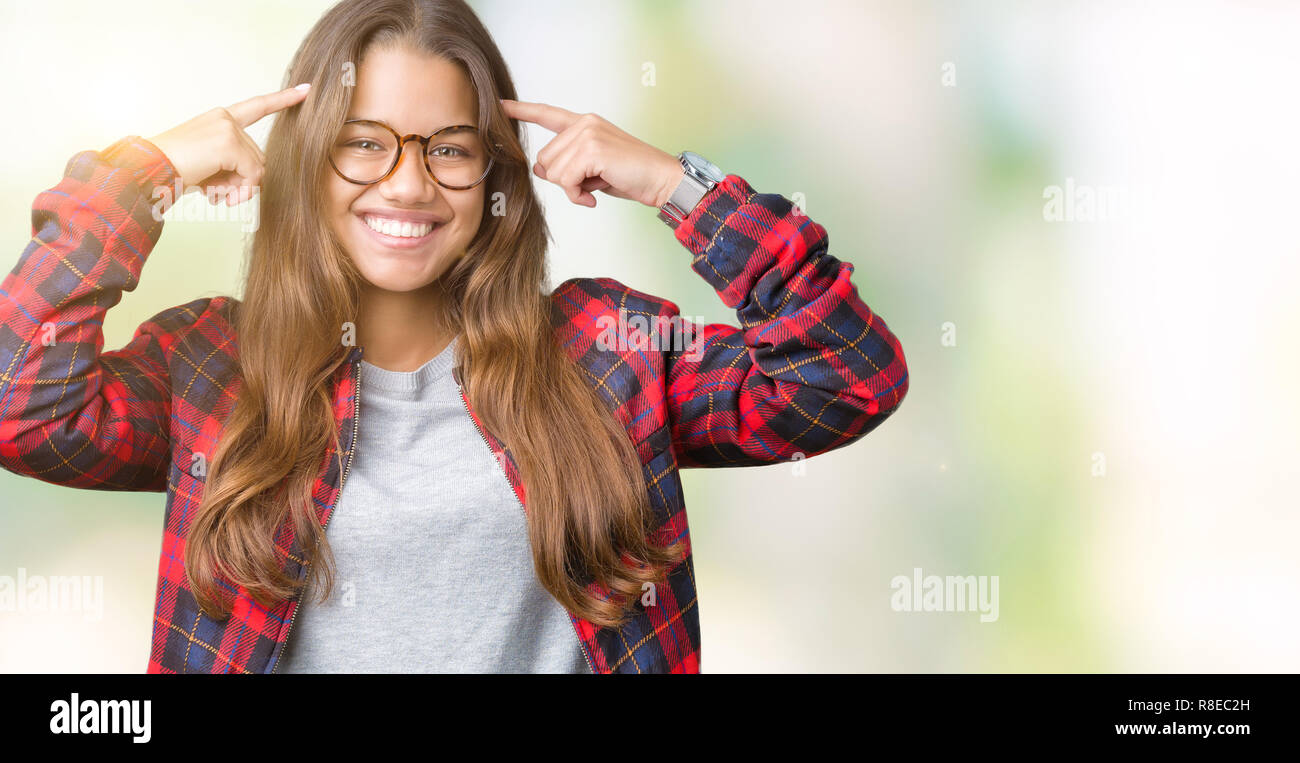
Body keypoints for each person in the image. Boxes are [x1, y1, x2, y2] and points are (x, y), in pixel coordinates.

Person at [0, 0, 909, 673]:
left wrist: (674, 184)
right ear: (307, 162)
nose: (407, 184)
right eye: (364, 143)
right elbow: (20, 405)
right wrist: (144, 174)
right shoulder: (211, 367)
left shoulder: (607, 353)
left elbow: (845, 377)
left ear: (492, 174)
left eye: (450, 148)